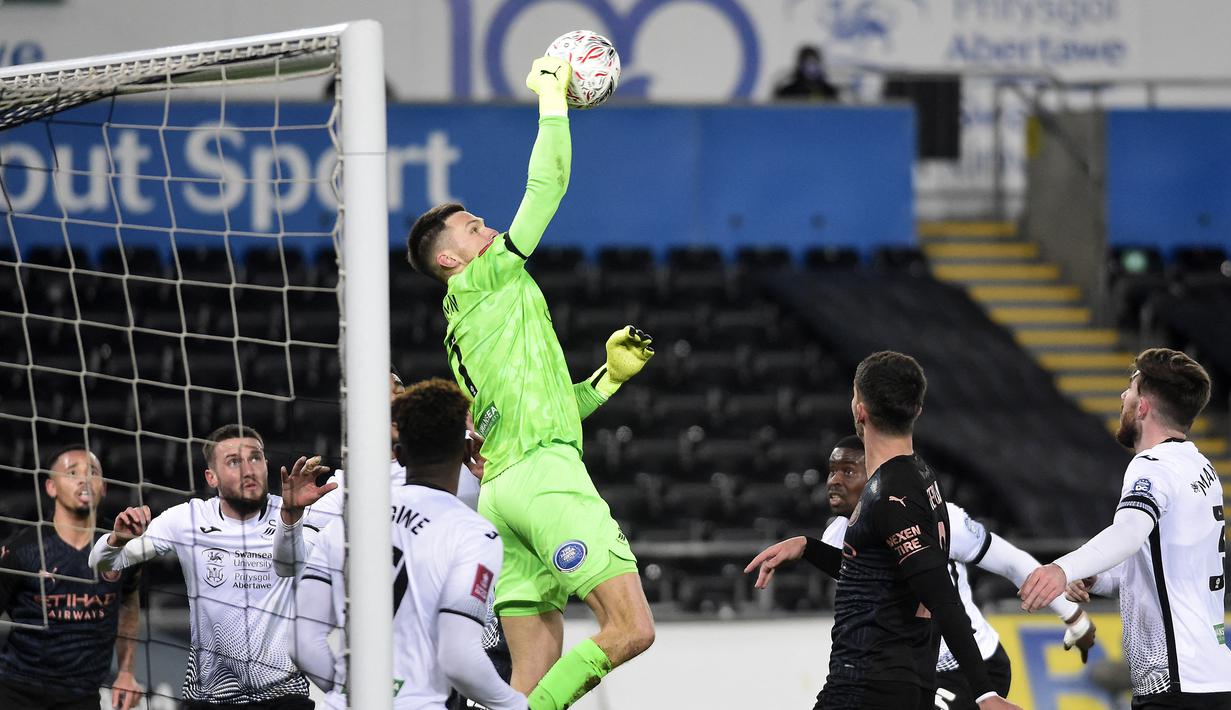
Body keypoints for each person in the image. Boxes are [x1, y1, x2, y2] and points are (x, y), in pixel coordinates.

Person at [404, 55, 657, 709]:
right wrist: (553, 99)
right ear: (452, 259)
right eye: (473, 228)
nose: (488, 229)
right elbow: (548, 186)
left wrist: (606, 379)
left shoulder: (463, 330)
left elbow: (542, 406)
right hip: (545, 480)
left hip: (502, 497)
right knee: (630, 629)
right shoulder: (485, 277)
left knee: (530, 675)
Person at [747, 435, 1095, 709]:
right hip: (914, 669)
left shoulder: (936, 514)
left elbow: (1010, 561)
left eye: (849, 471)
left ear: (875, 477)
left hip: (971, 664)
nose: (834, 481)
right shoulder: (836, 536)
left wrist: (1074, 617)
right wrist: (808, 548)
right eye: (832, 471)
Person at [756, 352, 1017, 709]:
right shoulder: (921, 477)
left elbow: (940, 593)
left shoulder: (891, 492)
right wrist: (807, 548)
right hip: (896, 680)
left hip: (869, 682)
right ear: (917, 411)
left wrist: (984, 693)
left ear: (859, 410)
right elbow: (883, 576)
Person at [276, 378, 527, 709]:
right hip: (434, 692)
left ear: (401, 454)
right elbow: (458, 657)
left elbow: (301, 642)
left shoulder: (348, 524)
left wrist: (353, 689)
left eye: (398, 387)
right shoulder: (341, 490)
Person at [1020, 348, 1231, 709]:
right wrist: (1096, 578)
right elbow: (1162, 563)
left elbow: (1128, 534)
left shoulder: (1151, 465)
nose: (1122, 398)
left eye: (1130, 390)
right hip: (1212, 675)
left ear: (1144, 406)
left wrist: (1062, 568)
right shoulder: (1200, 467)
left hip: (1174, 682)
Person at [89, 425, 333, 709]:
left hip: (282, 695)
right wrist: (116, 539)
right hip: (210, 697)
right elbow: (100, 562)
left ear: (266, 465)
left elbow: (291, 565)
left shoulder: (296, 510)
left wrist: (291, 517)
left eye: (255, 458)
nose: (248, 469)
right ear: (211, 477)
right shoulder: (187, 518)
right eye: (233, 461)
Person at [0, 445, 143, 710]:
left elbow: (128, 600)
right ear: (51, 488)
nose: (84, 479)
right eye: (72, 472)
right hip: (17, 693)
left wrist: (125, 672)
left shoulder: (123, 546)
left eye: (93, 472)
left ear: (104, 487)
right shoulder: (22, 551)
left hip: (83, 696)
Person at [774, 45, 840, 101]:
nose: (811, 68)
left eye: (814, 63)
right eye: (807, 63)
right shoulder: (787, 92)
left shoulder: (829, 91)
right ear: (800, 65)